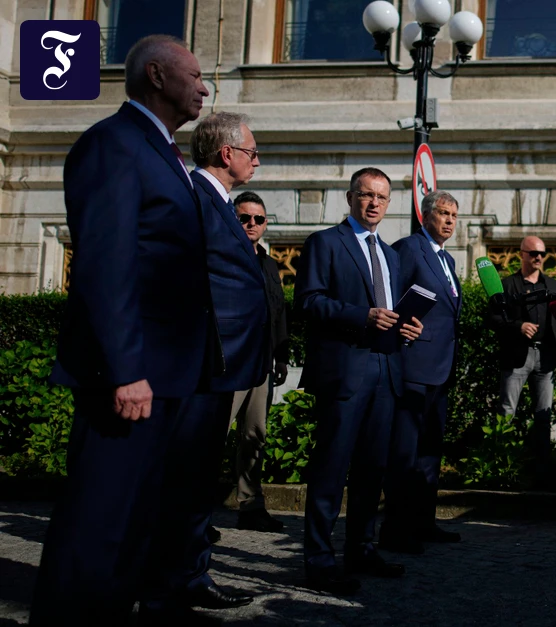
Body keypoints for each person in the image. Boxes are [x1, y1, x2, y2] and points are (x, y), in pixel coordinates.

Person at [31, 35, 220, 627]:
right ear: (157, 76)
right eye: (195, 75)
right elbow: (105, 267)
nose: (205, 88)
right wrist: (126, 370)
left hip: (166, 379)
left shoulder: (161, 151)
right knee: (98, 529)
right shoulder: (113, 144)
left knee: (134, 528)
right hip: (129, 381)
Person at [137, 111, 269, 614]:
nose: (257, 160)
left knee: (196, 481)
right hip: (197, 364)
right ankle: (163, 588)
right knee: (180, 480)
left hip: (220, 366)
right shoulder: (193, 197)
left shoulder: (223, 203)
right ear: (226, 153)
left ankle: (189, 575)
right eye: (252, 151)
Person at [295, 167, 423, 595]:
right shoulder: (324, 242)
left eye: (381, 197)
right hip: (345, 371)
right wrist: (361, 316)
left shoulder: (391, 254)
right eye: (366, 195)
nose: (373, 203)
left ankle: (361, 549)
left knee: (373, 468)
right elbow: (308, 301)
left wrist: (407, 326)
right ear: (350, 198)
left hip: (387, 369)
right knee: (332, 468)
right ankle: (318, 560)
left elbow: (392, 310)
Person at [380, 190, 464, 554]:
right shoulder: (410, 248)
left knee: (430, 452)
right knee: (405, 453)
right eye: (443, 213)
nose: (449, 221)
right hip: (413, 365)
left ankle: (424, 523)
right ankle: (395, 531)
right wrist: (400, 328)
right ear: (425, 215)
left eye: (454, 216)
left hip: (441, 369)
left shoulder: (448, 259)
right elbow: (389, 298)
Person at [227, 191, 290, 533]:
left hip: (262, 363)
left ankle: (251, 506)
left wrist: (281, 356)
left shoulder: (269, 263)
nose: (252, 224)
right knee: (213, 435)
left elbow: (278, 311)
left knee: (255, 435)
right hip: (229, 363)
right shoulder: (223, 256)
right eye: (244, 218)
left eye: (259, 219)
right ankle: (191, 513)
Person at [487, 236, 556, 482]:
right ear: (521, 254)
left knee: (544, 415)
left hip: (546, 357)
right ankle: (500, 468)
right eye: (533, 253)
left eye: (542, 254)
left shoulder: (553, 285)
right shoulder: (507, 285)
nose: (538, 258)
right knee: (506, 412)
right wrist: (518, 326)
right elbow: (492, 319)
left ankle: (542, 470)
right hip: (517, 356)